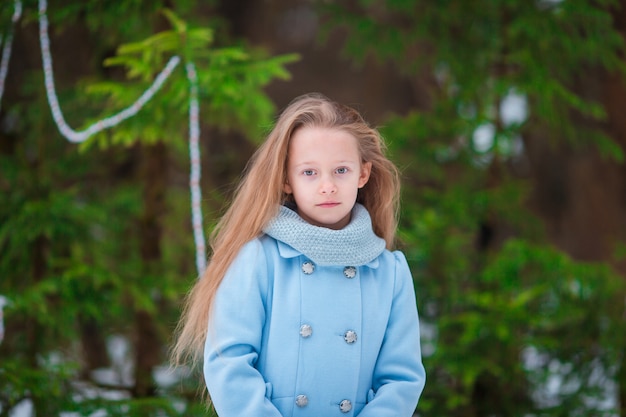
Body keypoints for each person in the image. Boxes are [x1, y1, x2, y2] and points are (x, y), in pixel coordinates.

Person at [172, 93, 426, 416]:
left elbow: (401, 379)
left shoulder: (390, 273)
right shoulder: (257, 260)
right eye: (309, 172)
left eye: (341, 170)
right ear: (286, 179)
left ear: (363, 174)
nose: (327, 186)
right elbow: (229, 364)